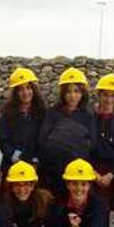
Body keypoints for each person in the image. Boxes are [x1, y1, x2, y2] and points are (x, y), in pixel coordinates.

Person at [38, 68, 96, 198]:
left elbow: (91, 144)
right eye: (68, 91)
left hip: (78, 171)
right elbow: (44, 140)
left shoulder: (88, 115)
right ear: (63, 93)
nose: (72, 95)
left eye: (76, 91)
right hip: (54, 170)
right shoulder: (52, 113)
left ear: (83, 93)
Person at [0, 68, 46, 189]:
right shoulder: (7, 113)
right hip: (11, 166)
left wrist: (36, 161)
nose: (25, 92)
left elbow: (45, 139)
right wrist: (15, 157)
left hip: (36, 168)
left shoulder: (42, 113)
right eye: (21, 89)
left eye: (28, 88)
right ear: (15, 92)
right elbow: (3, 139)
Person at [91, 73, 114, 209]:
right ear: (99, 95)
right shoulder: (89, 120)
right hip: (92, 171)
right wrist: (93, 173)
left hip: (113, 172)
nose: (108, 100)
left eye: (113, 96)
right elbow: (83, 147)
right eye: (105, 95)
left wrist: (111, 174)